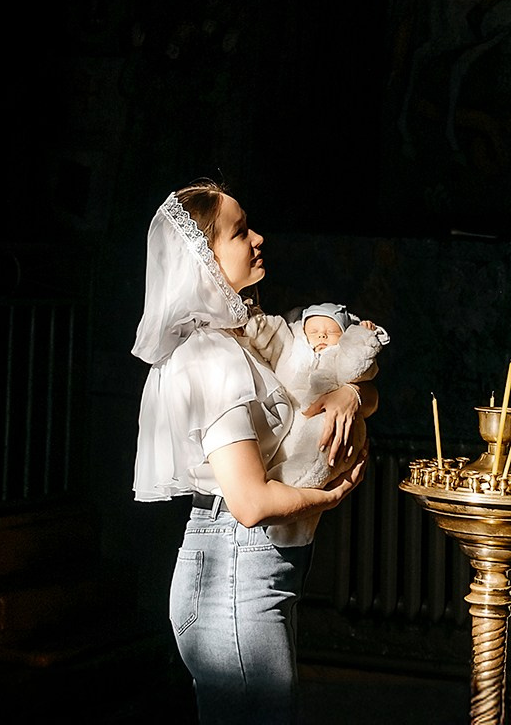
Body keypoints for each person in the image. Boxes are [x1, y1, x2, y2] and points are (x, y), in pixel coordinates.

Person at [132, 182, 374, 724]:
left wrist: (349, 391)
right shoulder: (208, 356)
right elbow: (250, 502)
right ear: (204, 259)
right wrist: (330, 494)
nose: (258, 238)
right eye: (240, 232)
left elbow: (329, 388)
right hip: (234, 572)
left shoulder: (245, 337)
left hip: (259, 571)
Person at [242, 301, 389, 490]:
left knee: (323, 433)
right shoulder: (291, 345)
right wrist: (260, 329)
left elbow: (364, 382)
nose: (321, 335)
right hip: (259, 478)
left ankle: (298, 475)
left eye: (332, 332)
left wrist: (361, 338)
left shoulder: (338, 355)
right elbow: (274, 338)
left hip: (319, 427)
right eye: (313, 332)